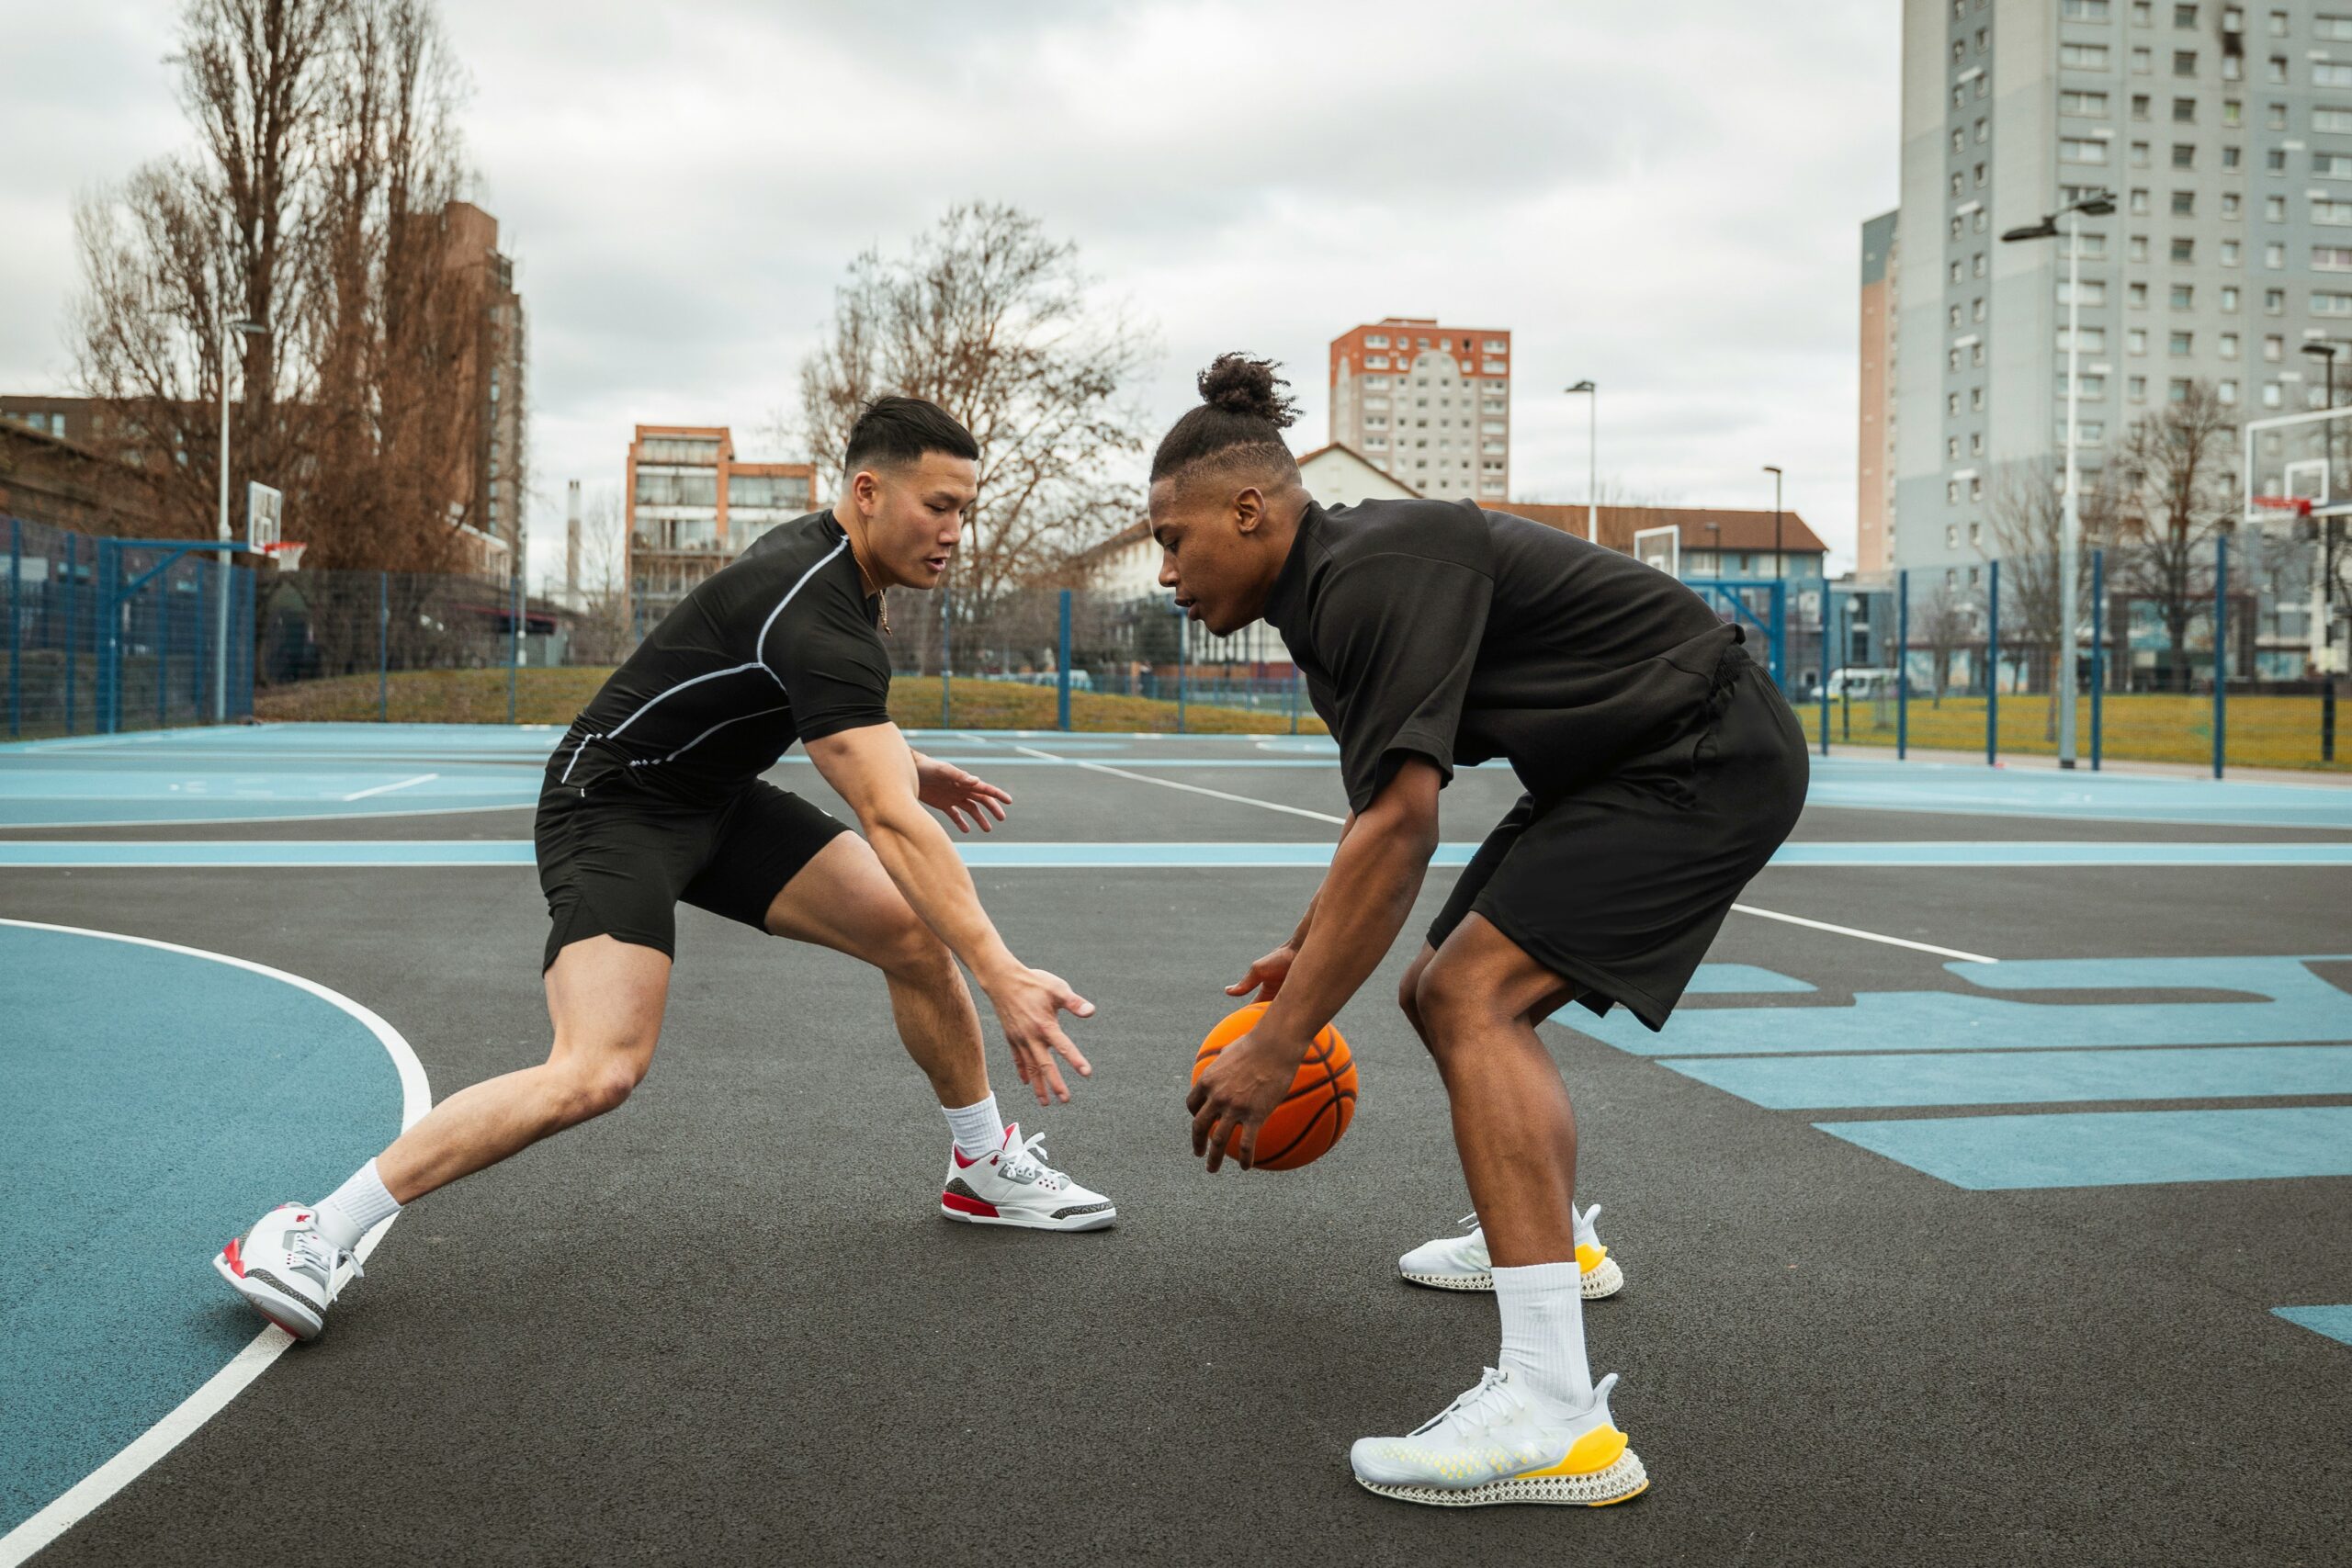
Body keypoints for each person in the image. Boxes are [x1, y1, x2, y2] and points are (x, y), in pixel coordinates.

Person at [216, 397, 1113, 1343]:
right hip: (612, 806)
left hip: (713, 799)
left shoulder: (840, 571)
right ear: (866, 491)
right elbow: (889, 818)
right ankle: (313, 1230)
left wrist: (904, 761)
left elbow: (794, 704)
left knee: (911, 935)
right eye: (939, 505)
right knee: (599, 1070)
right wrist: (1002, 970)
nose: (954, 533)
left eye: (964, 509)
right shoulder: (815, 606)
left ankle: (980, 1168)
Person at [1161, 355, 1807, 1507]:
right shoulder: (1324, 594)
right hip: (1622, 761)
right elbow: (1378, 815)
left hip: (1700, 752)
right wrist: (1306, 950)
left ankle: (1555, 1413)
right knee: (1431, 991)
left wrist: (1283, 1036)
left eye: (1172, 538)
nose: (1166, 571)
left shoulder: (1367, 573)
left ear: (1248, 510)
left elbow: (1407, 828)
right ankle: (1555, 1236)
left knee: (1473, 999)